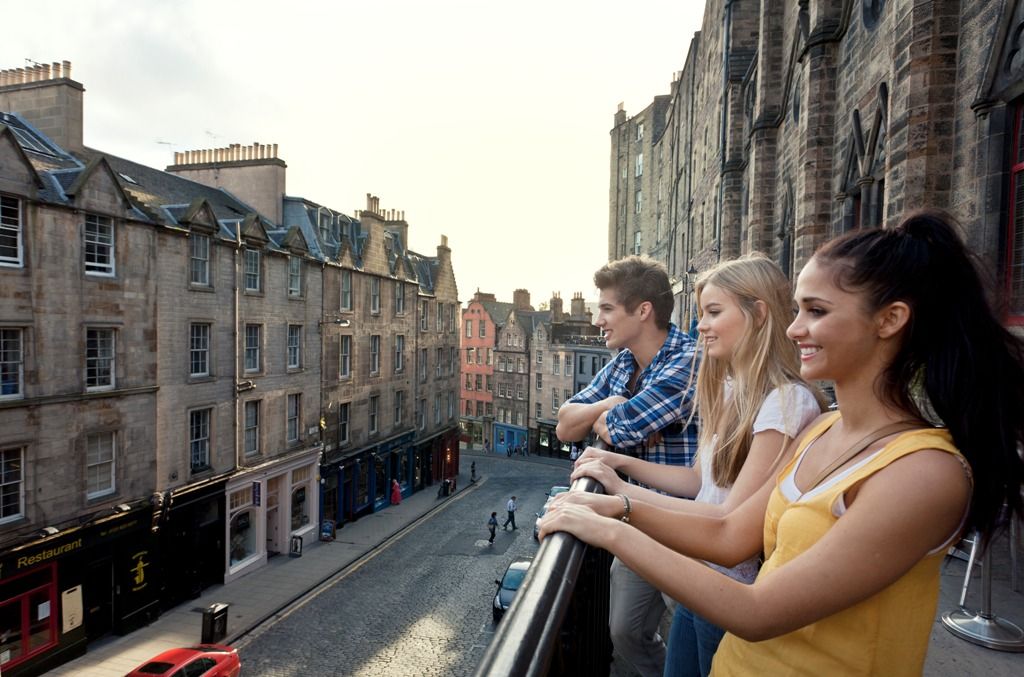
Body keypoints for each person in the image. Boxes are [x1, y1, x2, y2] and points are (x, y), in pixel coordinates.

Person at [541, 211, 1024, 675]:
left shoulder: (924, 471)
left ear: (890, 319)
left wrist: (610, 526)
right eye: (797, 310)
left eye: (815, 311)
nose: (794, 329)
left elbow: (758, 610)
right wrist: (615, 503)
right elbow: (728, 531)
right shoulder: (820, 430)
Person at [572, 254, 825, 676]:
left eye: (713, 312)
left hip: (730, 588)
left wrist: (619, 505)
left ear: (758, 313)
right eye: (700, 313)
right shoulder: (730, 388)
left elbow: (729, 519)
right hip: (700, 578)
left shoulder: (786, 402)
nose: (700, 326)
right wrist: (615, 467)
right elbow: (698, 482)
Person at [556, 255, 700, 677]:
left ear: (643, 311)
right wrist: (612, 403)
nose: (598, 319)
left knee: (692, 640)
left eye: (607, 308)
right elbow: (566, 424)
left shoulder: (689, 360)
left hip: (688, 528)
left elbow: (621, 430)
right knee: (625, 632)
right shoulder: (623, 362)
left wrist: (613, 415)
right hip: (635, 520)